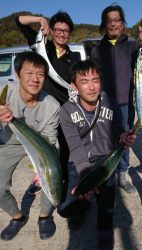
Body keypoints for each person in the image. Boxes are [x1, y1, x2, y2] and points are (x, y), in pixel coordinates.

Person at [59, 59, 136, 249]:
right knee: (66, 208)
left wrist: (124, 137)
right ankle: (80, 209)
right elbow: (75, 147)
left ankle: (105, 230)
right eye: (84, 81)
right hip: (77, 162)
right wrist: (87, 179)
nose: (92, 87)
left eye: (95, 80)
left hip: (105, 160)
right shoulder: (66, 110)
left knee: (106, 203)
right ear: (74, 86)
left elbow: (119, 131)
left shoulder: (111, 103)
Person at [16, 11, 81, 189]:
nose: (61, 34)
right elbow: (19, 21)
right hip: (43, 108)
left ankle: (64, 182)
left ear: (70, 33)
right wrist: (39, 20)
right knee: (43, 147)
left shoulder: (74, 57)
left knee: (66, 148)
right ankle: (43, 179)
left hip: (66, 108)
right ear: (51, 30)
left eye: (66, 31)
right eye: (58, 30)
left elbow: (78, 81)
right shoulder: (42, 46)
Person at [0, 52, 60, 241]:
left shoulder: (52, 105)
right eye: (29, 73)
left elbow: (50, 139)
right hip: (10, 141)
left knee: (53, 175)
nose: (35, 79)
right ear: (17, 74)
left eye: (40, 74)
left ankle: (44, 215)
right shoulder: (5, 93)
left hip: (41, 143)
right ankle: (17, 217)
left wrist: (43, 169)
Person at [91, 4, 142, 193]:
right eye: (109, 21)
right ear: (103, 25)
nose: (113, 24)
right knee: (104, 140)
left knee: (125, 141)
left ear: (123, 23)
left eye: (117, 20)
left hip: (126, 104)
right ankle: (106, 174)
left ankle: (122, 176)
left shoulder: (133, 46)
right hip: (104, 103)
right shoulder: (97, 49)